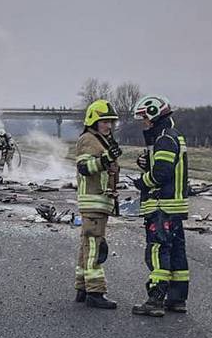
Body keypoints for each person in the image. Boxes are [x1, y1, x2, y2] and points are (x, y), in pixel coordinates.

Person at [131, 95, 190, 316]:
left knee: (157, 250)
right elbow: (164, 165)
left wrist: (141, 181)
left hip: (161, 206)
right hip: (174, 206)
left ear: (154, 115)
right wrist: (147, 163)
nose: (144, 123)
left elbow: (162, 173)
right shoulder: (171, 136)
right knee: (176, 253)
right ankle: (177, 299)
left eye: (145, 118)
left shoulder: (164, 138)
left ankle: (155, 300)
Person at [74, 99, 121, 309]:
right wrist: (106, 159)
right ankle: (95, 292)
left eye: (110, 122)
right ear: (93, 121)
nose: (108, 125)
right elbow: (84, 167)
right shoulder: (88, 139)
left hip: (99, 203)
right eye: (104, 121)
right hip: (93, 202)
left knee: (87, 244)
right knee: (95, 246)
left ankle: (83, 288)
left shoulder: (101, 140)